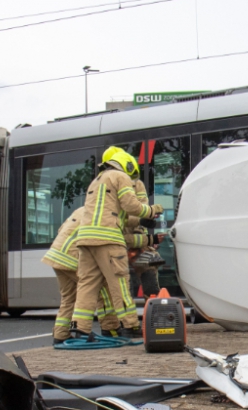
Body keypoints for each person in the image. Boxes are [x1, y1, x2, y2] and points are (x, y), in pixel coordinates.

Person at [71, 147, 161, 339]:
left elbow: (118, 214)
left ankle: (79, 328)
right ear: (127, 165)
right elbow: (131, 206)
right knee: (119, 282)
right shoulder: (121, 177)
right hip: (109, 238)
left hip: (85, 239)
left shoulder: (96, 181)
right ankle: (130, 326)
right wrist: (151, 211)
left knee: (87, 285)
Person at [42, 207, 129, 345]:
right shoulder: (107, 214)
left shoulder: (83, 209)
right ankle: (109, 329)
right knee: (102, 290)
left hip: (57, 255)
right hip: (74, 257)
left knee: (69, 298)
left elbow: (62, 230)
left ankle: (60, 334)